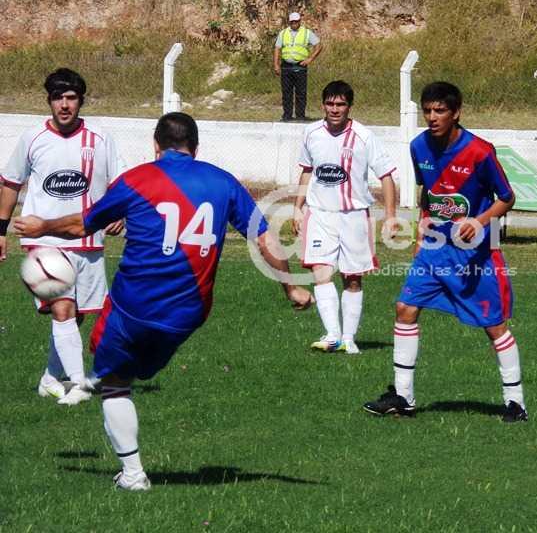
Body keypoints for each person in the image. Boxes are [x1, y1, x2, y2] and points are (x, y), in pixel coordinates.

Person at [15, 112, 314, 491]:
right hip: (189, 313)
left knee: (115, 381)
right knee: (134, 368)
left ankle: (132, 472)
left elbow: (81, 225)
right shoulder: (223, 182)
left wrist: (43, 226)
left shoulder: (137, 179)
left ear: (156, 146)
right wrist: (290, 288)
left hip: (134, 306)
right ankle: (113, 377)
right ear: (196, 147)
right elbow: (264, 238)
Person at [362, 81, 528, 423]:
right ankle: (403, 397)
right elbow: (429, 192)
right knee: (405, 308)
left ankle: (515, 403)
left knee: (494, 326)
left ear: (456, 113)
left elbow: (507, 197)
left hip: (475, 256)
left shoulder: (480, 152)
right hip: (435, 250)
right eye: (427, 110)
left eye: (440, 110)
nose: (432, 117)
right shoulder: (418, 146)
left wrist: (480, 221)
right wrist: (421, 232)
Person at [0, 68, 124, 406]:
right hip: (44, 241)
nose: (64, 105)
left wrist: (120, 213)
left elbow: (120, 184)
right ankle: (80, 385)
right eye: (58, 98)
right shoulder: (32, 138)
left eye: (71, 98)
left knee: (76, 314)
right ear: (49, 101)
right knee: (63, 308)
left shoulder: (101, 138)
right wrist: (1, 230)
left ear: (81, 101)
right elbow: (11, 183)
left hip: (87, 240)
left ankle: (49, 379)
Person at [293, 81, 398, 354]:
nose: (335, 109)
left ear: (349, 106)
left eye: (340, 104)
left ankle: (349, 339)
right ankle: (332, 335)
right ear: (322, 105)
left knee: (352, 278)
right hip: (319, 214)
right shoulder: (311, 133)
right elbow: (307, 171)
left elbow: (386, 176)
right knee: (320, 271)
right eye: (330, 103)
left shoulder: (364, 136)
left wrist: (390, 216)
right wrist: (297, 207)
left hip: (354, 216)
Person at [273, 11, 322, 122]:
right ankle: (287, 116)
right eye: (292, 22)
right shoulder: (283, 33)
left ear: (300, 21)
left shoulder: (306, 33)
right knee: (286, 92)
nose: (294, 23)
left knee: (301, 92)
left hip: (300, 67)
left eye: (296, 21)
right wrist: (276, 64)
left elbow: (318, 45)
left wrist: (310, 59)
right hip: (286, 67)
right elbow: (277, 48)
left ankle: (300, 116)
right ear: (289, 22)